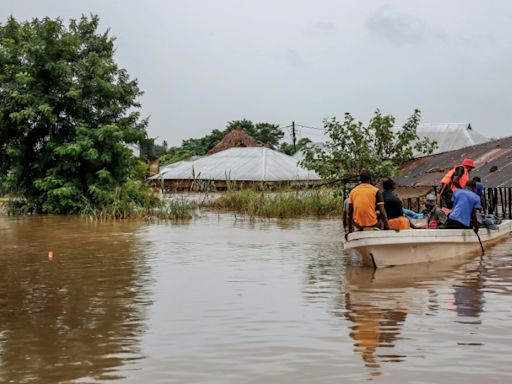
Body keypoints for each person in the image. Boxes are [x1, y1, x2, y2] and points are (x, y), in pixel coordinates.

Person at [346, 170, 389, 239]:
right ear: (370, 179)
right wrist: (389, 229)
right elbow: (383, 213)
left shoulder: (353, 191)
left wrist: (350, 232)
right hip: (372, 225)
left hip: (358, 226)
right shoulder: (376, 190)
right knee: (380, 216)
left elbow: (349, 215)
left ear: (360, 180)